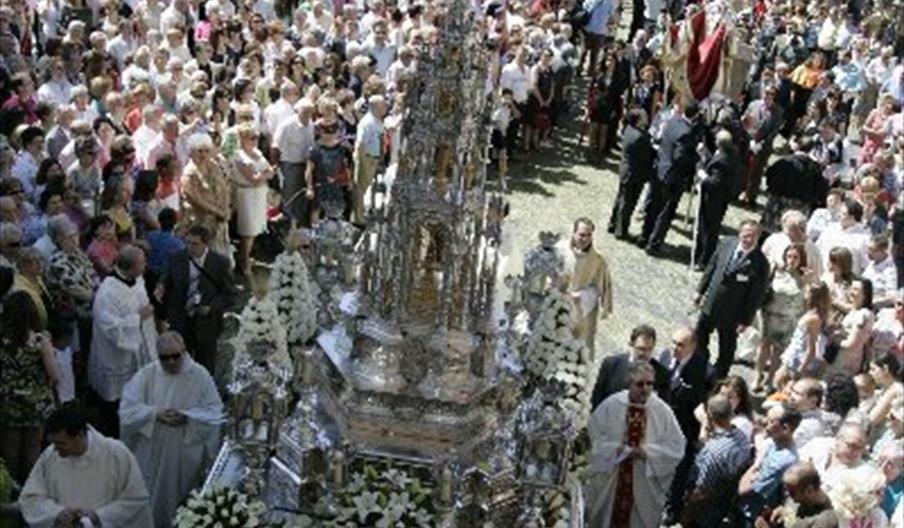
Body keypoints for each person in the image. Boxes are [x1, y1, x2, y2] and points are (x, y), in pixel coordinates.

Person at [119, 331, 223, 527]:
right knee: (151, 497)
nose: (171, 362)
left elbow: (214, 412)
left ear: (184, 352)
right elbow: (127, 410)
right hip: (152, 450)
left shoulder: (199, 375)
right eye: (164, 358)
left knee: (180, 497)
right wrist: (154, 414)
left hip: (184, 450)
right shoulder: (147, 374)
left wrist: (189, 417)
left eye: (176, 356)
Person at [585, 361, 686, 527]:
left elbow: (676, 447)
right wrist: (616, 449)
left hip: (643, 485)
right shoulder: (611, 405)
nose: (645, 388)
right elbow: (591, 438)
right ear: (629, 383)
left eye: (650, 384)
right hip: (612, 481)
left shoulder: (662, 410)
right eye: (640, 384)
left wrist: (647, 453)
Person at [18, 403, 153, 528]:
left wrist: (99, 517)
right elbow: (31, 497)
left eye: (61, 443)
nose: (56, 449)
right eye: (54, 443)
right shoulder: (50, 456)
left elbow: (136, 500)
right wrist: (57, 513)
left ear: (80, 435)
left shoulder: (116, 454)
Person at [89, 245, 157, 438]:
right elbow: (110, 328)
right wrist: (138, 318)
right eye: (142, 263)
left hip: (140, 348)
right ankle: (114, 435)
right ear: (130, 267)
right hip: (116, 355)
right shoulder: (107, 293)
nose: (146, 265)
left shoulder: (137, 279)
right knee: (115, 400)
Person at [695, 219, 770, 377]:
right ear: (740, 233)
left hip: (733, 312)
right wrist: (700, 291)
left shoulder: (760, 263)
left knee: (727, 347)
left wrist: (745, 320)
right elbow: (712, 267)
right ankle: (701, 363)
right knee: (700, 334)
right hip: (711, 302)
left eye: (753, 236)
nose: (748, 239)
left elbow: (756, 295)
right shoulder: (727, 244)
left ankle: (719, 375)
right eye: (746, 235)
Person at [157, 224, 235, 375]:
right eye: (187, 242)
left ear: (206, 244)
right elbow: (167, 277)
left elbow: (230, 295)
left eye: (195, 244)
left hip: (207, 324)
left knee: (205, 368)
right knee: (179, 366)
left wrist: (211, 307)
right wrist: (161, 285)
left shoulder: (220, 263)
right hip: (180, 321)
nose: (190, 247)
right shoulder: (177, 258)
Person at [0, 291, 58, 484]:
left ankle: (9, 485)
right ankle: (31, 486)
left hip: (8, 400)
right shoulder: (40, 341)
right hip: (36, 402)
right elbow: (54, 374)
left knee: (10, 445)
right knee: (33, 446)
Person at [680, 394, 752, 528]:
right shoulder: (741, 437)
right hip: (723, 507)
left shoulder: (713, 452)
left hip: (702, 516)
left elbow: (700, 493)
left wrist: (684, 518)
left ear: (710, 416)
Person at [639, 100, 701, 255]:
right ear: (695, 116)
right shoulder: (687, 132)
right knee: (665, 211)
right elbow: (679, 156)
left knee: (653, 206)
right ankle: (654, 243)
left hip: (659, 169)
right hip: (672, 177)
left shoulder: (672, 121)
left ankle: (644, 236)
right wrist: (695, 156)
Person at [755, 243, 810, 393]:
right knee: (763, 347)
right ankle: (758, 375)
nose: (791, 260)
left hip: (789, 319)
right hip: (770, 314)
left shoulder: (804, 278)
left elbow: (807, 301)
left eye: (795, 257)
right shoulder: (777, 271)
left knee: (778, 351)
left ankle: (770, 379)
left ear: (801, 259)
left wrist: (807, 283)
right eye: (789, 256)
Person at [737, 403, 802, 527]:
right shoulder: (774, 441)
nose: (766, 424)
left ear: (785, 428)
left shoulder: (782, 460)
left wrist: (756, 465)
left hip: (752, 517)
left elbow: (743, 489)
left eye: (771, 422)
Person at [556, 217, 613, 353]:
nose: (585, 239)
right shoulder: (559, 250)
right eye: (581, 235)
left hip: (582, 310)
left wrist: (582, 296)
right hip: (557, 303)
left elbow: (599, 288)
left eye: (589, 235)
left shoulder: (598, 260)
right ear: (574, 233)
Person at [590, 324, 670, 409]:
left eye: (649, 349)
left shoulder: (662, 374)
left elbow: (663, 409)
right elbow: (597, 400)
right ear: (631, 344)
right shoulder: (611, 365)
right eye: (641, 349)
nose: (645, 354)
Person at [232, 125, 275, 278]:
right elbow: (254, 179)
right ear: (242, 139)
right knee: (248, 230)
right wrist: (264, 175)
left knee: (256, 228)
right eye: (252, 138)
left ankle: (246, 257)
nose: (255, 141)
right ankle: (244, 262)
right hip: (247, 195)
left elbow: (271, 171)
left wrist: (263, 175)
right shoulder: (239, 156)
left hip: (259, 194)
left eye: (256, 137)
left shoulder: (257, 153)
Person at [695, 129, 740, 269]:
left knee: (708, 229)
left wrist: (703, 176)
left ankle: (703, 259)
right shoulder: (732, 152)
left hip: (713, 200)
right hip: (721, 197)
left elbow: (715, 182)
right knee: (710, 228)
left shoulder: (723, 160)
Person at [608, 107, 654, 241]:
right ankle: (621, 231)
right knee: (628, 202)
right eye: (644, 117)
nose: (647, 118)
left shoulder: (629, 129)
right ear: (638, 121)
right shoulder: (641, 137)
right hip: (634, 173)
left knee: (621, 198)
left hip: (626, 170)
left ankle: (613, 224)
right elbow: (648, 155)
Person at [775, 284, 831, 388]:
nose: (805, 294)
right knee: (779, 380)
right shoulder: (811, 313)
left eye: (807, 292)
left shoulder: (813, 319)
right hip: (794, 352)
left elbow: (811, 348)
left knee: (786, 385)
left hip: (799, 358)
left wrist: (801, 369)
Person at [353, 95, 386, 224]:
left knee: (371, 188)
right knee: (362, 189)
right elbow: (360, 144)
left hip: (375, 158)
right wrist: (361, 162)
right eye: (383, 105)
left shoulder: (377, 120)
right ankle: (359, 218)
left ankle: (369, 212)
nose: (385, 108)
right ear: (376, 107)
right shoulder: (367, 123)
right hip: (367, 158)